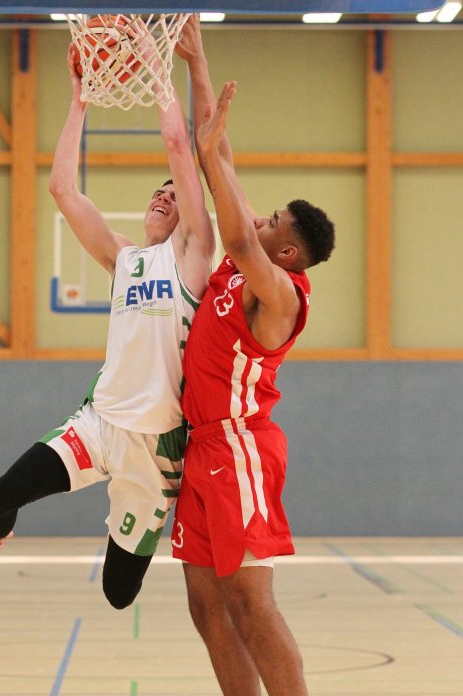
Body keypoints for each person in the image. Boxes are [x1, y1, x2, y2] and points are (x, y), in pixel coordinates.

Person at [0, 42, 215, 610]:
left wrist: (159, 69)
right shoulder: (125, 259)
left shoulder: (194, 257)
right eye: (158, 191)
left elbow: (177, 145)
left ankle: (129, 517)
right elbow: (63, 191)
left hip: (155, 447)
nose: (163, 195)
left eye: (174, 192)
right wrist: (79, 100)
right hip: (98, 424)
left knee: (119, 594)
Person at [170, 16, 336, 696]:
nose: (259, 220)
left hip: (240, 448)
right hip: (200, 447)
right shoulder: (247, 268)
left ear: (289, 251)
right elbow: (223, 157)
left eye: (273, 222)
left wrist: (211, 160)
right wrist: (198, 60)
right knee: (206, 605)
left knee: (250, 602)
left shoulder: (282, 293)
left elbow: (236, 230)